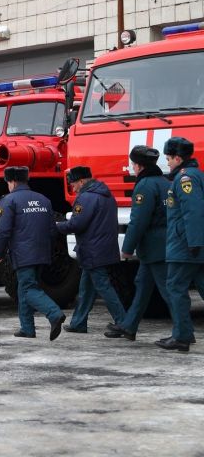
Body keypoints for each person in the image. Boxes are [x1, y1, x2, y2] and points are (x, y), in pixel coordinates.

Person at [105, 146, 171, 341]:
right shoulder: (166, 183)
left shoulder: (144, 186)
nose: (132, 168)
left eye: (133, 164)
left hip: (154, 247)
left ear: (139, 166)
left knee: (169, 291)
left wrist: (127, 249)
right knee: (142, 286)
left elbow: (139, 221)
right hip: (164, 244)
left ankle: (183, 332)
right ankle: (129, 326)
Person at [0, 166, 66, 340]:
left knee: (28, 288)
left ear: (12, 181)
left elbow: (3, 231)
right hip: (42, 252)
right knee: (24, 288)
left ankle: (54, 313)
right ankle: (27, 328)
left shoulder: (9, 201)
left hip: (23, 254)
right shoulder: (43, 200)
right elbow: (52, 229)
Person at [57, 166, 125, 333]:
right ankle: (78, 323)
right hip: (104, 248)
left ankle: (123, 323)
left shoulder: (86, 197)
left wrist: (56, 226)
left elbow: (76, 224)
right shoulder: (106, 195)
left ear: (81, 181)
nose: (73, 188)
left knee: (103, 287)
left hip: (93, 250)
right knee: (86, 288)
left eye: (73, 184)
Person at [156, 137, 204, 352]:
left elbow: (193, 211)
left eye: (168, 158)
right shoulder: (193, 175)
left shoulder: (185, 179)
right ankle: (183, 334)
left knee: (175, 287)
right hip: (190, 243)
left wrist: (194, 242)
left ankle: (182, 336)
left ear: (178, 158)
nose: (167, 163)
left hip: (185, 246)